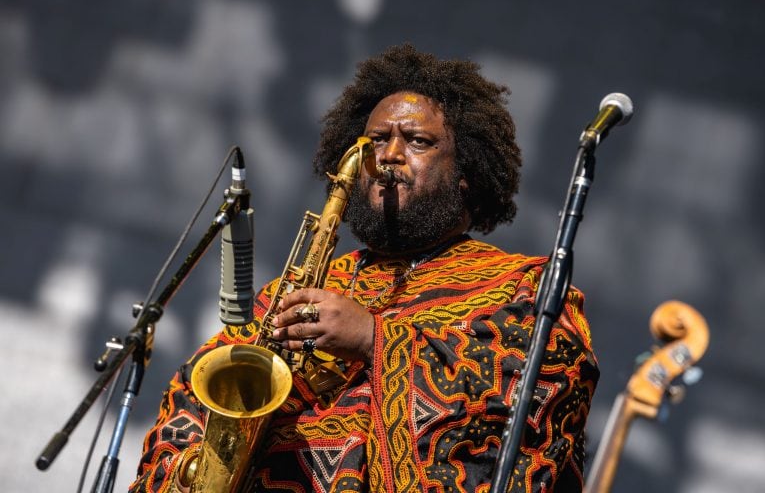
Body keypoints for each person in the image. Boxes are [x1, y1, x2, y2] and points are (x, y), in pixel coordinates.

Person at [130, 44, 599, 492]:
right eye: (376, 140)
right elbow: (196, 399)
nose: (388, 155)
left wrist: (373, 338)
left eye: (417, 141)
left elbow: (538, 396)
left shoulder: (521, 287)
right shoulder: (290, 293)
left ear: (467, 171)